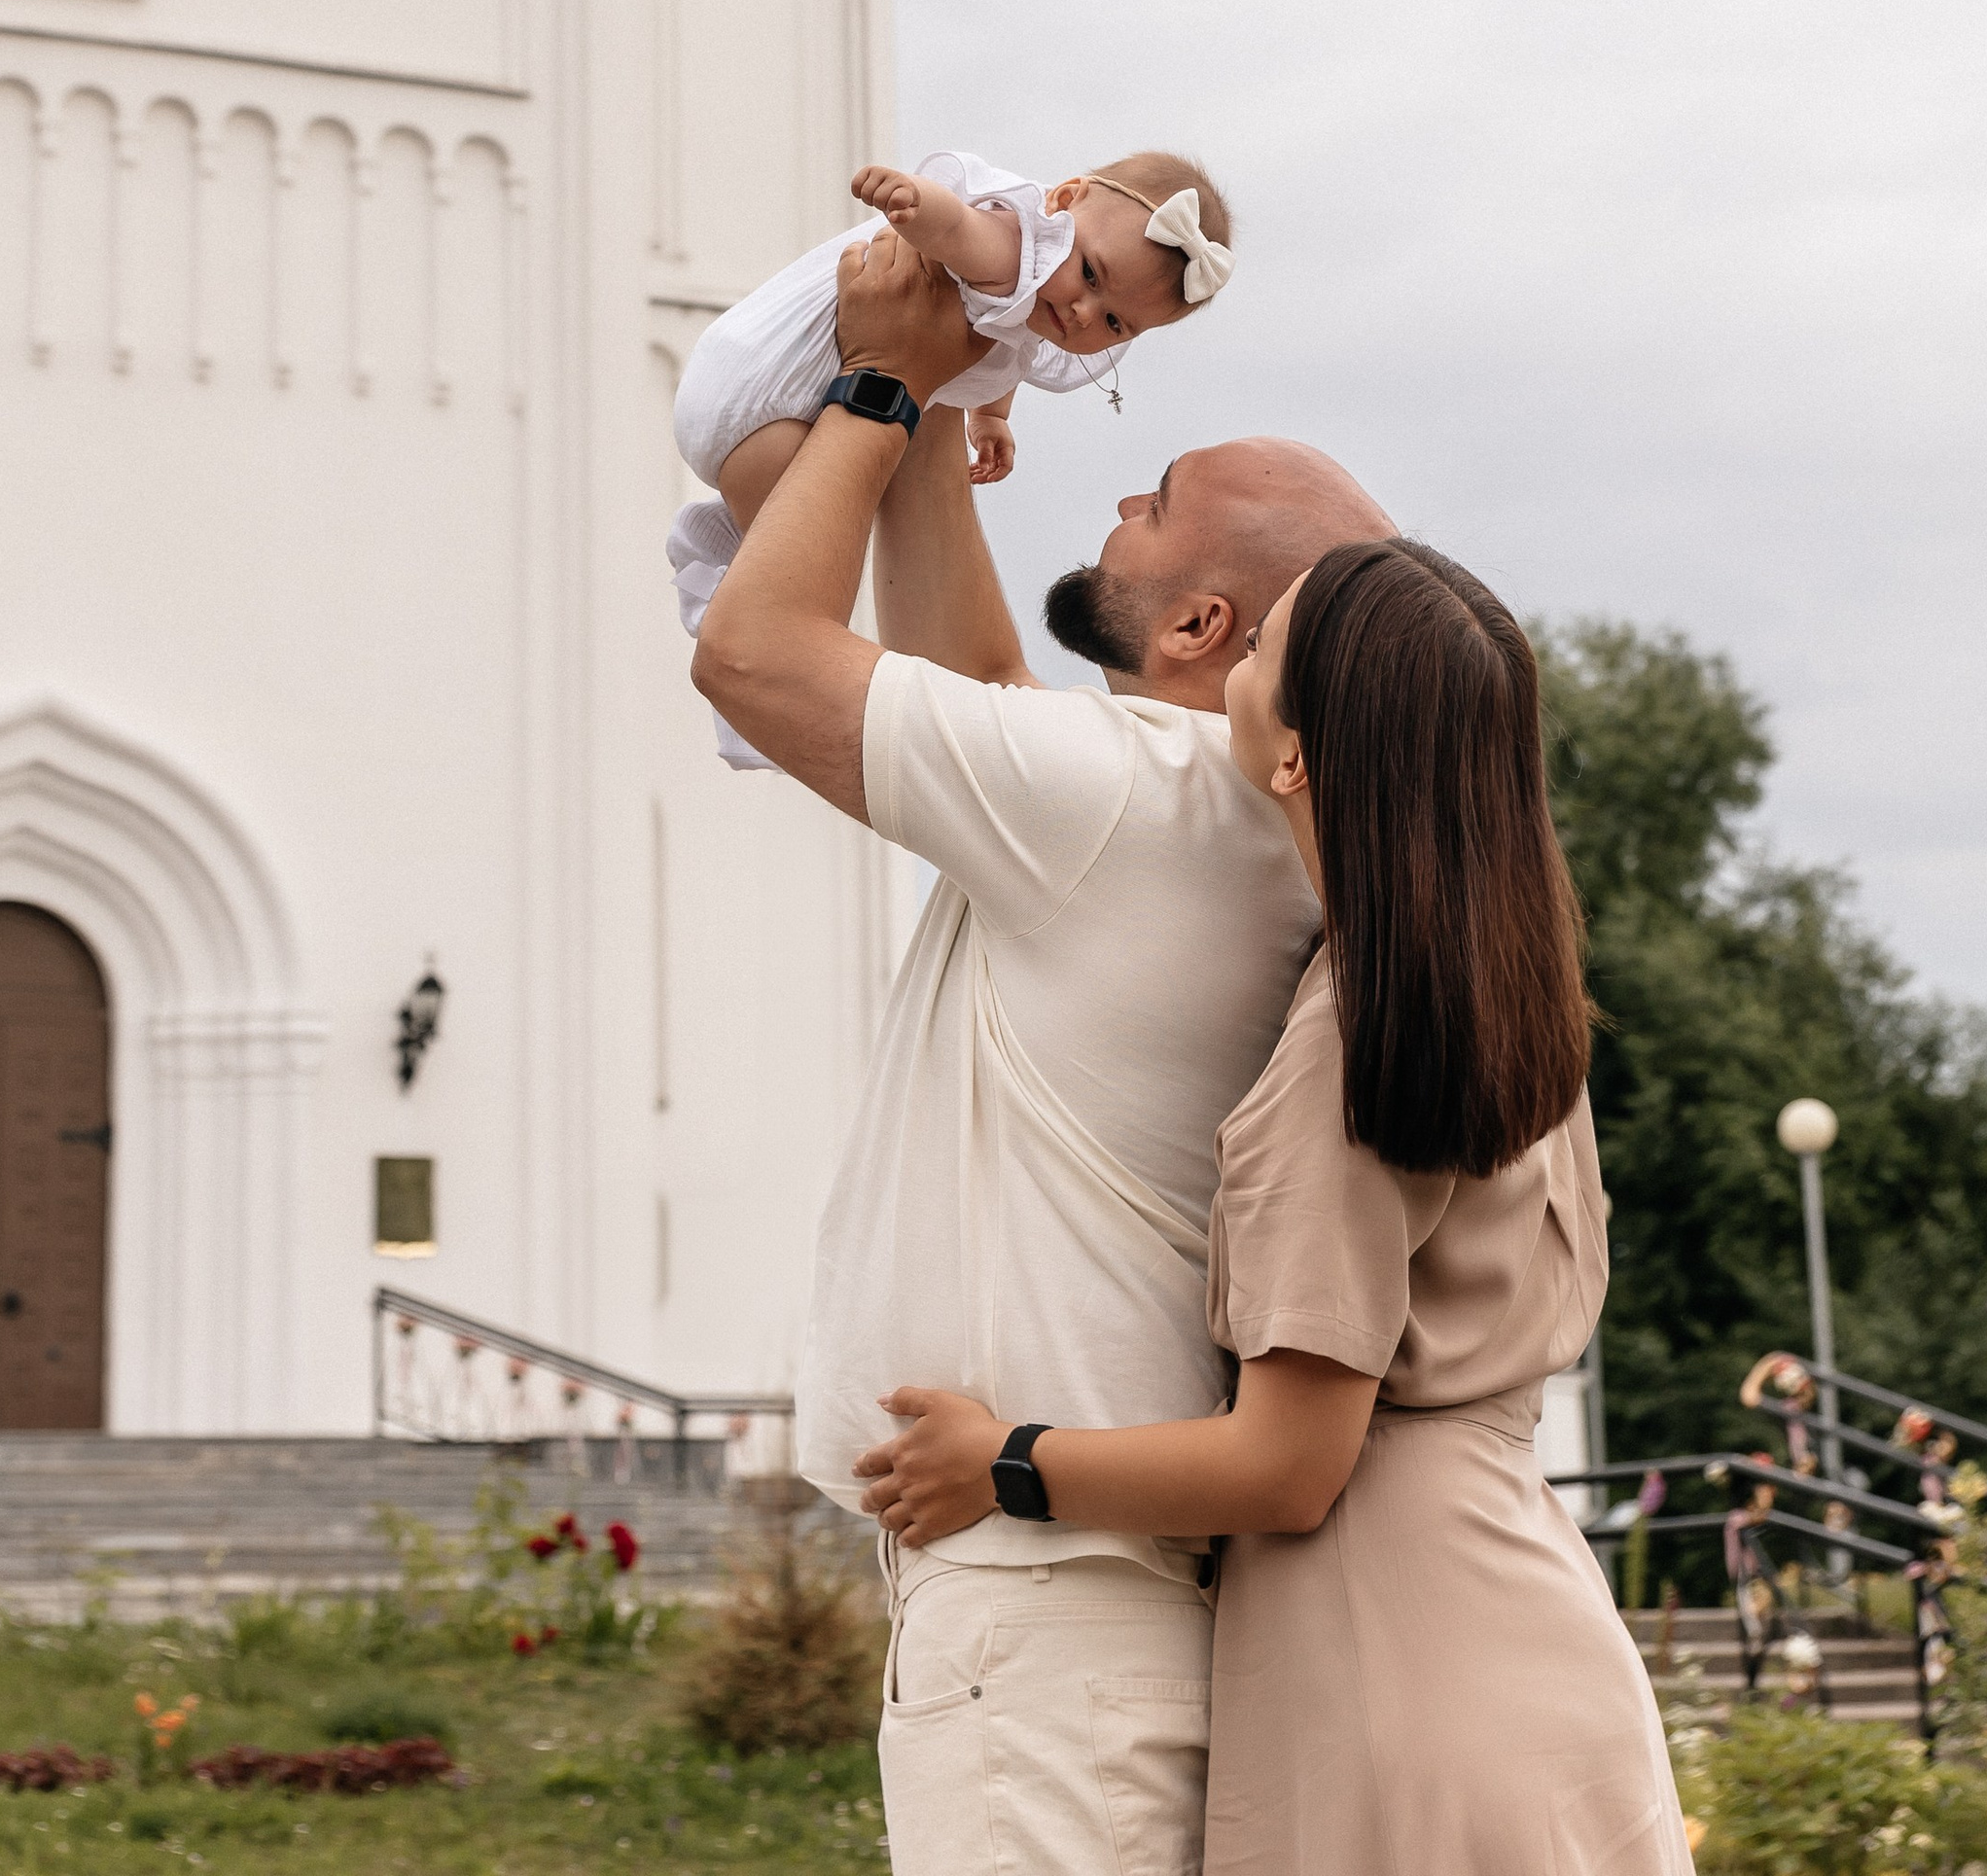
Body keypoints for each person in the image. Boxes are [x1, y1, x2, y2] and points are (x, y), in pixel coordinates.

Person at [690, 230, 1396, 1876]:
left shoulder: (1127, 806)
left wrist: (870, 388)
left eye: (1148, 501)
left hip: (1039, 1601)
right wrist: (945, 408)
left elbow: (751, 654)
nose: (1112, 509)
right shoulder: (1203, 813)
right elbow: (978, 697)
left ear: (1204, 618)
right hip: (1090, 1580)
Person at [855, 537, 1690, 1876]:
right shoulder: (1501, 995)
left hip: (1396, 1651)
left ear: (1294, 756)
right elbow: (991, 695)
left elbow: (1290, 1466)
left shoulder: (1350, 1040)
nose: (1226, 668)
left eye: (1256, 655)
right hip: (1532, 1626)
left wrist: (1005, 1461)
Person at [668, 146, 1231, 767]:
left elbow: (1005, 340)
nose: (1081, 313)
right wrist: (915, 204)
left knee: (795, 553)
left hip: (772, 396)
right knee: (806, 578)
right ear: (1064, 201)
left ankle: (744, 601)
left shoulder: (1038, 288)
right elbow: (960, 229)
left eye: (1116, 323)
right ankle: (755, 647)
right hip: (764, 396)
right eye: (1092, 276)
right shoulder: (1014, 243)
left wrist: (989, 416)